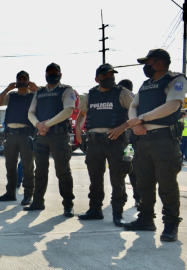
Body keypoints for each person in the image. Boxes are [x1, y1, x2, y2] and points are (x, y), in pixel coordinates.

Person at [124, 49, 186, 242]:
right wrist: (135, 123)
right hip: (142, 139)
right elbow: (133, 106)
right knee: (144, 182)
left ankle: (170, 224)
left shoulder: (176, 80)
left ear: (159, 63)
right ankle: (145, 219)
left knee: (166, 183)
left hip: (164, 140)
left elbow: (173, 105)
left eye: (148, 62)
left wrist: (141, 119)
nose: (145, 66)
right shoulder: (146, 84)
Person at [75, 64, 133, 227]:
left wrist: (123, 127)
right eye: (105, 76)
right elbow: (81, 114)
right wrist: (78, 129)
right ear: (97, 79)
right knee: (95, 178)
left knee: (118, 177)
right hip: (94, 142)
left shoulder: (122, 93)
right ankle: (95, 210)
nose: (109, 78)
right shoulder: (91, 95)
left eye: (111, 75)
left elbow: (136, 111)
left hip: (115, 140)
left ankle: (118, 213)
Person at [24, 62, 76, 218]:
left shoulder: (67, 90)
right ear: (45, 74)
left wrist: (45, 124)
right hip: (41, 136)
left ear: (60, 74)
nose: (52, 74)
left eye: (55, 72)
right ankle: (38, 201)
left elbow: (68, 111)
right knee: (40, 170)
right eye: (49, 72)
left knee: (63, 171)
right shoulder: (38, 93)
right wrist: (38, 125)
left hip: (59, 136)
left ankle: (68, 205)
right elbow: (31, 112)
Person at [0, 70, 36, 205]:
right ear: (16, 81)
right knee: (10, 166)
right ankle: (10, 193)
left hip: (26, 135)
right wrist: (7, 89)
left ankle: (28, 195)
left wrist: (36, 88)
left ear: (28, 81)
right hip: (10, 135)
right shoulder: (11, 95)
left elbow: (46, 100)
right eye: (20, 79)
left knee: (27, 166)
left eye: (24, 79)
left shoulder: (34, 96)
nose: (22, 82)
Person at [118, 79, 140, 207]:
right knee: (131, 170)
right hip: (130, 142)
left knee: (127, 169)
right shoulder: (135, 101)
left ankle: (126, 196)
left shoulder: (129, 101)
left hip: (127, 143)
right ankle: (136, 197)